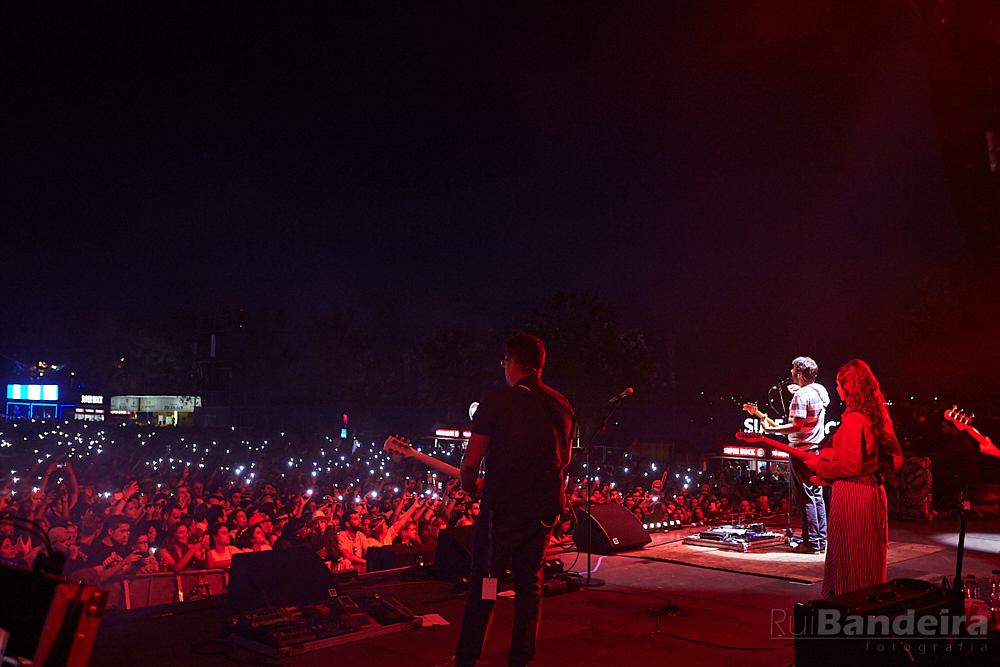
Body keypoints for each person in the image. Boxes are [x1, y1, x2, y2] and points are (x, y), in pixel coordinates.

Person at [452, 333, 574, 667]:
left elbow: (471, 462)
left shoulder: (497, 403)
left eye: (505, 363)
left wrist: (468, 486)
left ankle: (467, 659)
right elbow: (562, 460)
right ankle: (521, 659)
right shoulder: (562, 404)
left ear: (513, 364)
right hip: (543, 516)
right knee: (529, 587)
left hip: (502, 517)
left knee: (488, 585)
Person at [802, 359, 902, 597]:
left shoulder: (854, 419)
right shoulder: (875, 415)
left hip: (853, 493)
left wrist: (820, 467)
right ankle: (867, 609)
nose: (837, 389)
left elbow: (849, 467)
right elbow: (897, 457)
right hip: (872, 491)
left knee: (850, 558)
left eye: (839, 384)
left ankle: (850, 610)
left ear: (849, 388)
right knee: (867, 558)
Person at [762, 356, 829, 554]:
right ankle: (820, 540)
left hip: (801, 450)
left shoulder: (801, 396)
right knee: (817, 496)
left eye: (792, 370)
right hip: (816, 450)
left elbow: (796, 425)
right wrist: (801, 390)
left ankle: (810, 544)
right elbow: (817, 401)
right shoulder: (821, 390)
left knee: (805, 497)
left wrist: (770, 429)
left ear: (799, 374)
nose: (790, 373)